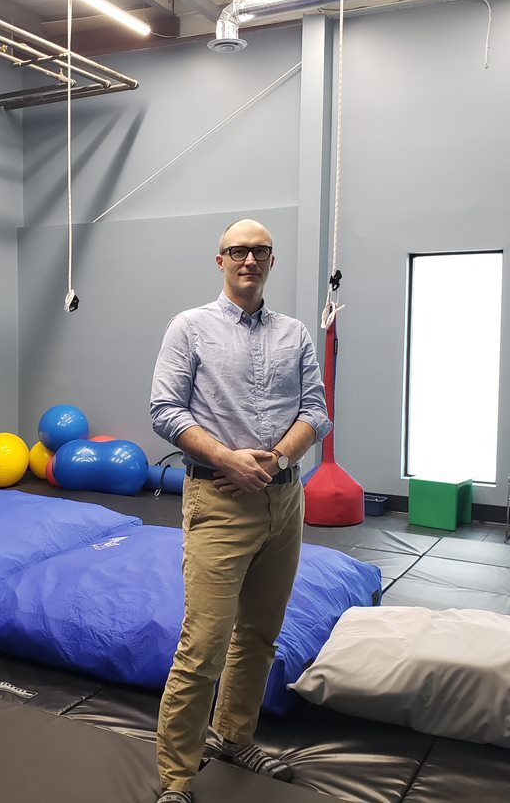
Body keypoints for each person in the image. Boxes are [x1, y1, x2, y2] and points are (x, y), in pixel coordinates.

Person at [149, 218, 332, 803]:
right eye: (237, 251)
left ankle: (234, 734)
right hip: (219, 501)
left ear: (272, 261)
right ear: (221, 259)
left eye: (259, 251)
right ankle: (176, 778)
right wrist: (228, 458)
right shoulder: (190, 327)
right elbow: (164, 410)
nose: (248, 260)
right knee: (203, 644)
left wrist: (275, 460)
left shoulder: (296, 333)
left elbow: (316, 410)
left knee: (259, 634)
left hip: (284, 500)